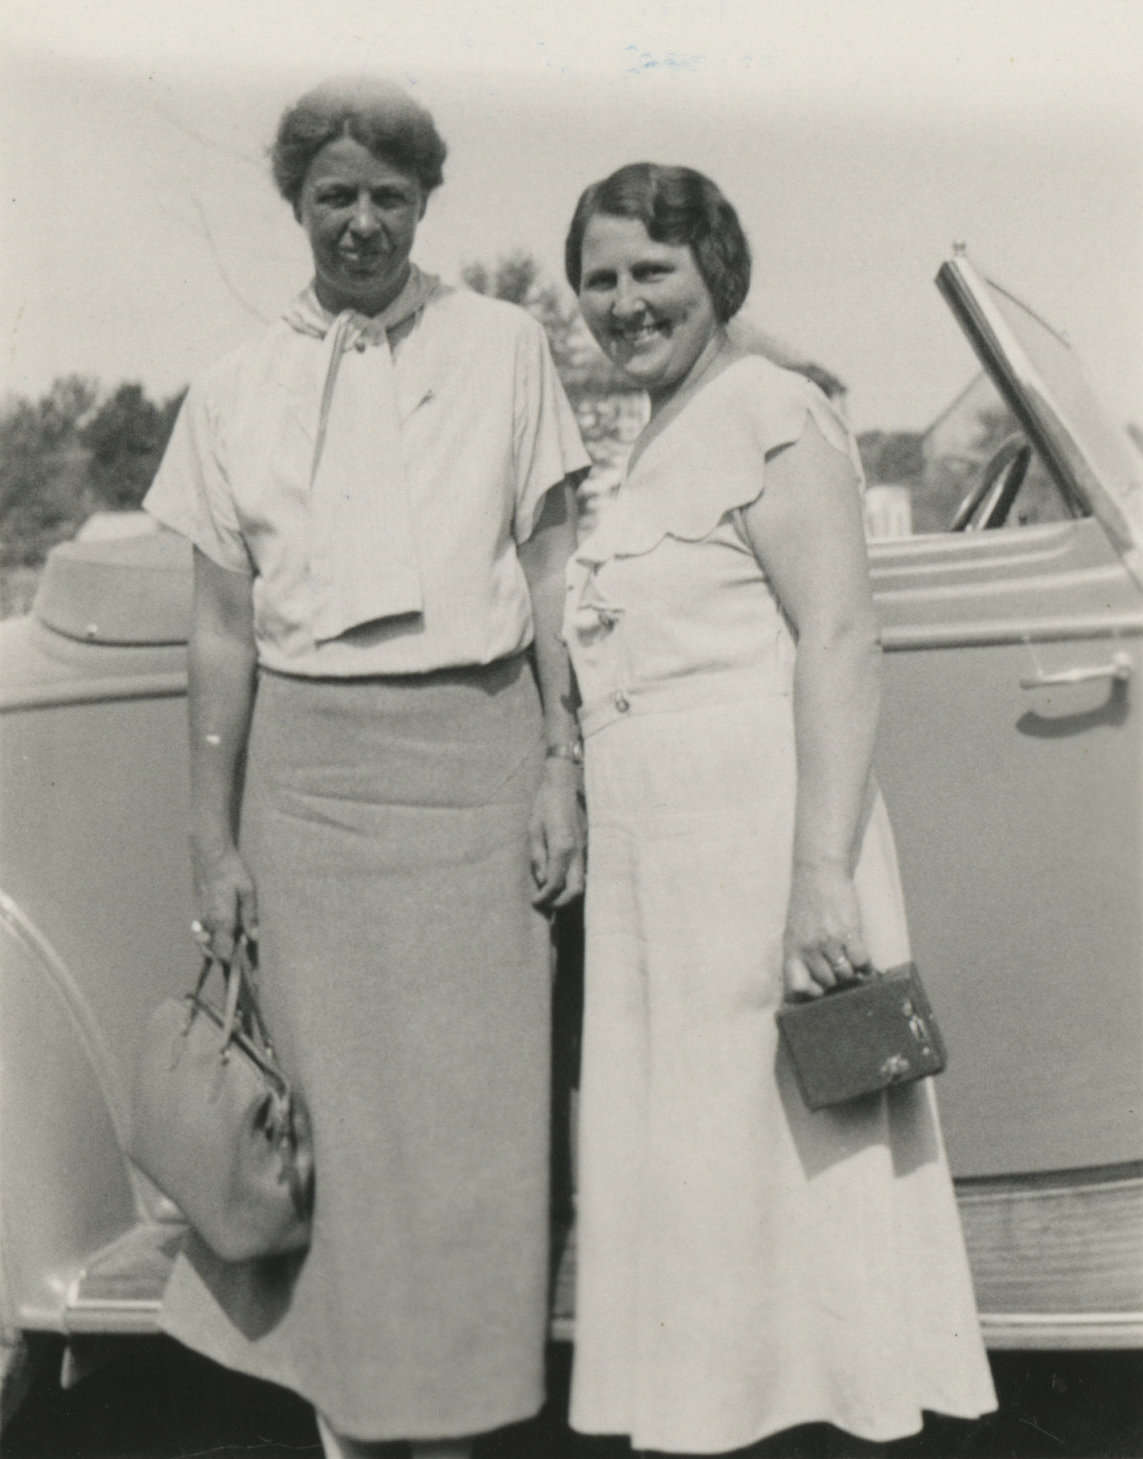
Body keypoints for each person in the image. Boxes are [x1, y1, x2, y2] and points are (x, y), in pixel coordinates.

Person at [143, 76, 591, 1459]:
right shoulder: (231, 388)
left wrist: (561, 763)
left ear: (425, 201)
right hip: (310, 792)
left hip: (475, 768)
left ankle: (449, 1436)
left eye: (388, 196)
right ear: (297, 205)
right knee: (331, 1144)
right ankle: (350, 1436)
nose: (362, 222)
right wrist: (215, 846)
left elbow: (556, 571)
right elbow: (222, 634)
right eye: (334, 194)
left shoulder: (509, 346)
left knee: (465, 1152)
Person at [561, 163, 997, 1456]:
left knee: (797, 1190)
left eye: (655, 272)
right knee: (709, 1196)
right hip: (665, 882)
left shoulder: (770, 411)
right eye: (602, 277)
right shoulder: (663, 431)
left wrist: (821, 877)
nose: (627, 301)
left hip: (766, 863)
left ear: (715, 277)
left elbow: (843, 643)